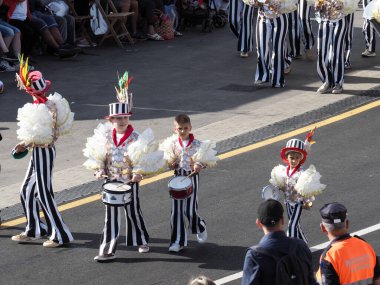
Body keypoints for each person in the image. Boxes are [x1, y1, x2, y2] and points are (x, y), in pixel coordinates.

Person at [83, 71, 164, 262]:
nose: (122, 121)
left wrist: (138, 173)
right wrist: (98, 170)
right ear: (111, 120)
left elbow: (141, 159)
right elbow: (97, 156)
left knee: (133, 211)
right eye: (118, 118)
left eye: (125, 117)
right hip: (110, 181)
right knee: (110, 215)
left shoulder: (136, 137)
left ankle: (141, 239)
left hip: (130, 181)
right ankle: (107, 249)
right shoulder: (103, 136)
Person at [11, 56, 74, 247]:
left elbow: (42, 136)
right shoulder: (48, 104)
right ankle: (34, 229)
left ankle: (61, 234)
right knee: (26, 190)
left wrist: (24, 145)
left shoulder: (42, 107)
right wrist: (26, 144)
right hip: (40, 151)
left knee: (44, 193)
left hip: (43, 151)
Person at [159, 114, 218, 252]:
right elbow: (169, 162)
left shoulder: (198, 144)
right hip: (177, 179)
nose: (183, 131)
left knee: (189, 210)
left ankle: (200, 225)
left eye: (186, 128)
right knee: (176, 212)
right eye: (180, 128)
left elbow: (204, 159)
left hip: (191, 178)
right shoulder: (172, 145)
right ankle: (177, 241)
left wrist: (198, 165)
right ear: (175, 129)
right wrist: (171, 164)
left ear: (190, 128)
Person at [241, 199, 317, 285]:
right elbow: (311, 280)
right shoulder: (300, 245)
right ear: (283, 220)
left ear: (259, 223)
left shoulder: (254, 256)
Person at [268, 130, 325, 243]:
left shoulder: (302, 173)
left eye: (296, 158)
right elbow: (281, 185)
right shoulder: (283, 171)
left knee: (292, 226)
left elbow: (305, 189)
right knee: (296, 225)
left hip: (298, 203)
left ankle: (292, 250)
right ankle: (304, 244)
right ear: (287, 157)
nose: (294, 160)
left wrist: (307, 202)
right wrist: (277, 189)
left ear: (300, 158)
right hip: (288, 202)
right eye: (291, 157)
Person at [316, 202, 380, 285]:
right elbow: (377, 280)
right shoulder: (366, 246)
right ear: (347, 224)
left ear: (323, 228)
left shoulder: (329, 256)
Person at [253, 0, 289, 88]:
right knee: (261, 47)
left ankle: (278, 79)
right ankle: (262, 76)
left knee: (278, 49)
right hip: (262, 17)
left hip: (279, 18)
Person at [314, 0, 346, 94]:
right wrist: (317, 5)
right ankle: (327, 81)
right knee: (321, 52)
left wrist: (341, 4)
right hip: (324, 21)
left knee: (336, 52)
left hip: (339, 20)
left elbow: (349, 4)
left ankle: (338, 83)